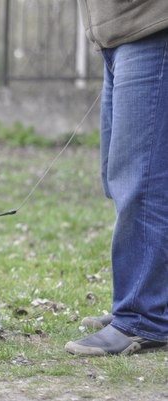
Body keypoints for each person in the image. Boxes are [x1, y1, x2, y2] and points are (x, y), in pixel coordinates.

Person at [65, 1, 168, 356]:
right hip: (115, 33)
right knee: (119, 174)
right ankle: (152, 304)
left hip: (151, 24)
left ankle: (142, 316)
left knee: (142, 180)